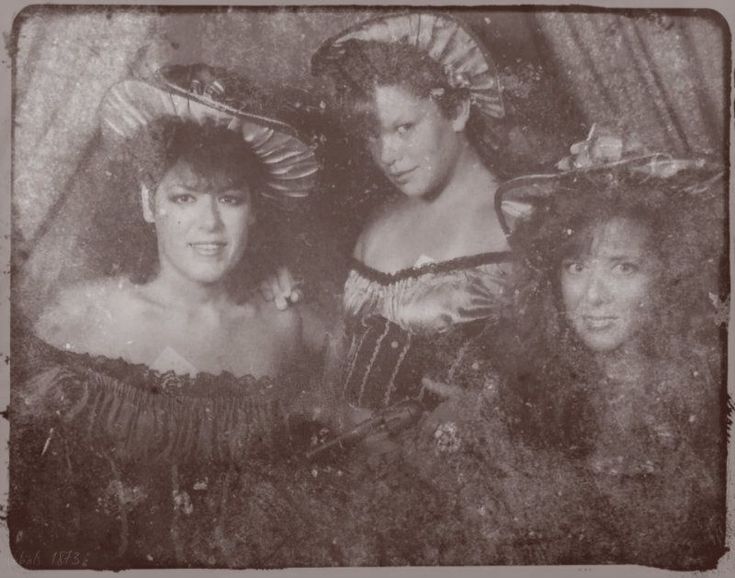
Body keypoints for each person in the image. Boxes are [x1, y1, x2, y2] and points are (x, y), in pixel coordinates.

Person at [9, 63, 346, 568]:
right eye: (183, 197)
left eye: (229, 199)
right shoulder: (77, 314)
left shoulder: (289, 325)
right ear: (149, 203)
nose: (209, 224)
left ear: (254, 209)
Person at [409, 130, 727, 568]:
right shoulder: (523, 393)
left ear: (668, 274)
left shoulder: (711, 393)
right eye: (576, 266)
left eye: (624, 267)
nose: (592, 296)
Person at [301, 12, 518, 432]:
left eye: (404, 128)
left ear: (457, 109)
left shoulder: (516, 219)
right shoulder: (378, 222)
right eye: (372, 134)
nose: (387, 155)